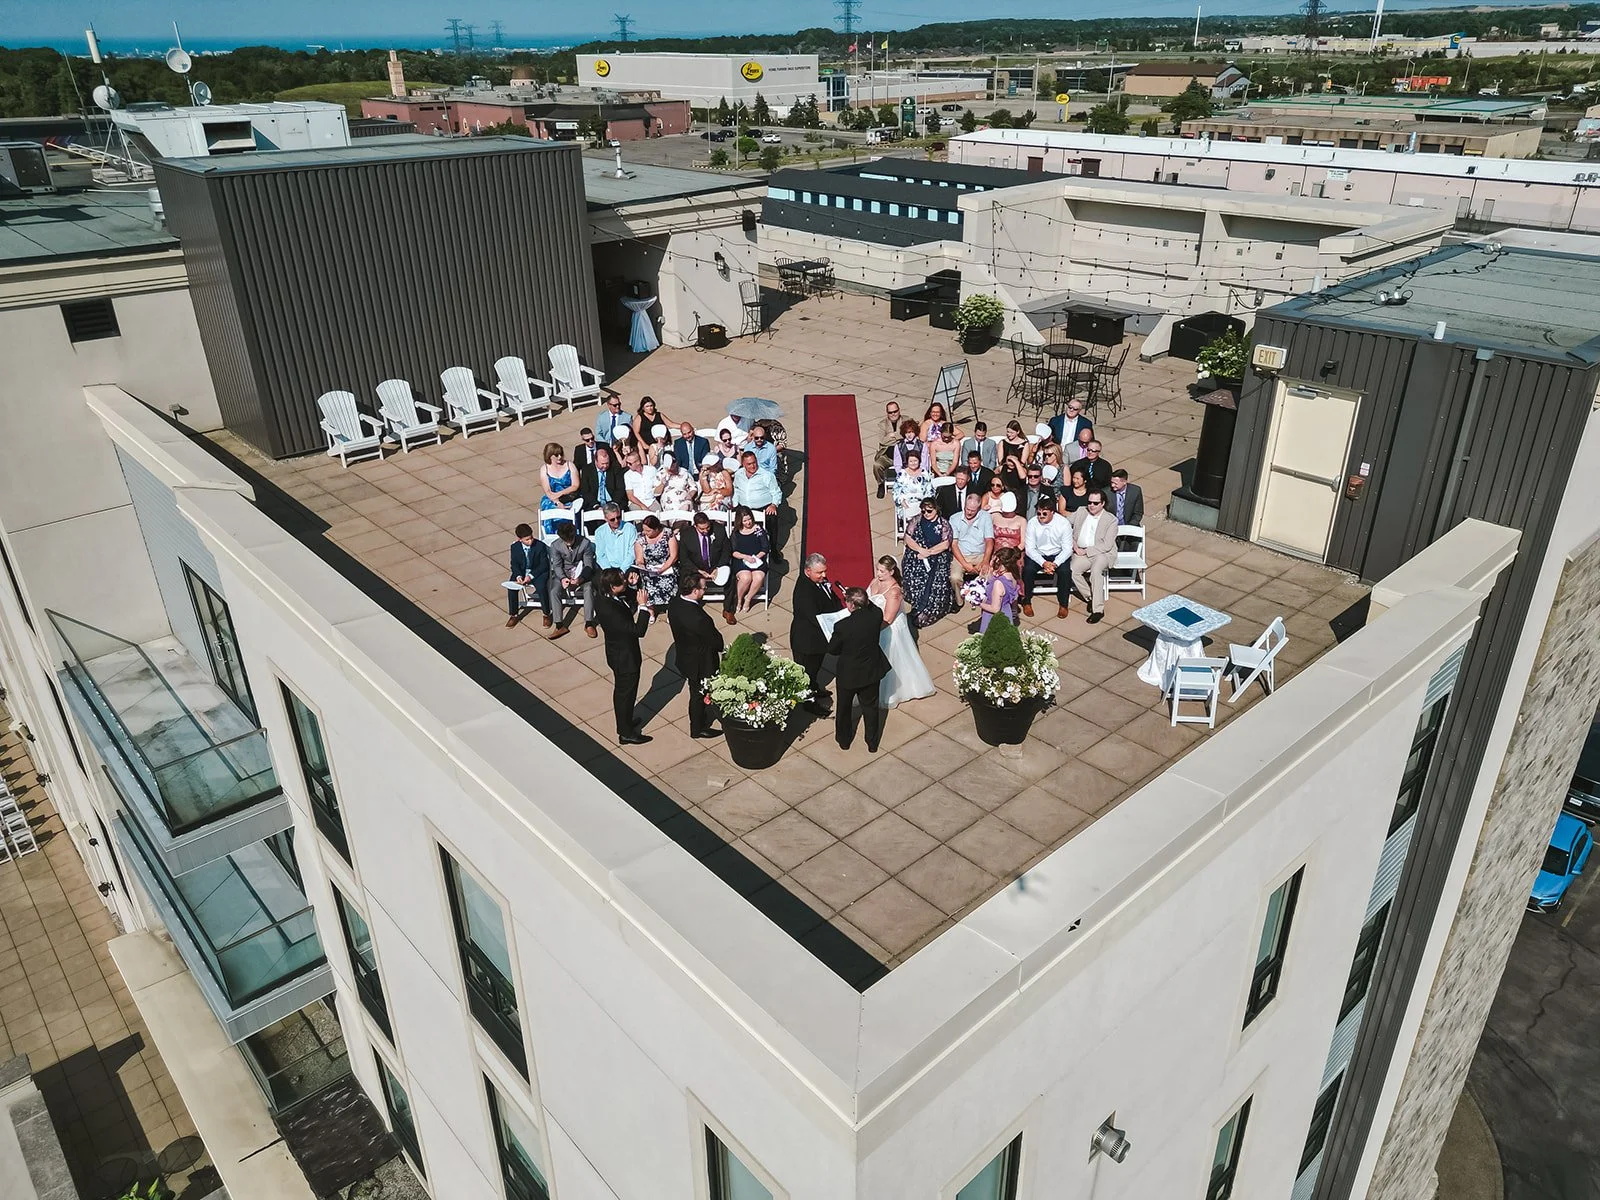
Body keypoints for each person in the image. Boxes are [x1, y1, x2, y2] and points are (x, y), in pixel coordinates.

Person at [827, 588, 891, 753]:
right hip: (871, 671)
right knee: (870, 708)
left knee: (844, 708)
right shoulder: (875, 615)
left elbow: (833, 650)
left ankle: (844, 741)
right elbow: (873, 607)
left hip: (849, 674)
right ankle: (872, 743)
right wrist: (859, 597)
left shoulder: (842, 626)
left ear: (851, 605)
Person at [866, 557, 935, 706]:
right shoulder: (875, 581)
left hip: (887, 629)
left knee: (890, 659)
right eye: (878, 569)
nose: (878, 574)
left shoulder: (894, 592)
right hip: (875, 623)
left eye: (882, 571)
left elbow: (888, 619)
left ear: (891, 572)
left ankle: (893, 692)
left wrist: (869, 631)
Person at [593, 568, 651, 745]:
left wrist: (631, 586)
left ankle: (626, 721)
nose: (625, 581)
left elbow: (629, 595)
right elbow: (638, 631)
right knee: (625, 694)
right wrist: (643, 607)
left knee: (625, 693)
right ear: (612, 587)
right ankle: (625, 733)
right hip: (624, 658)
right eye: (622, 581)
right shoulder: (610, 611)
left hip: (618, 653)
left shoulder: (605, 596)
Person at [668, 576, 723, 739]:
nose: (705, 590)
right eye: (704, 588)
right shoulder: (699, 618)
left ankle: (699, 719)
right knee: (698, 695)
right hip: (700, 663)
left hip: (686, 656)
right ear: (694, 591)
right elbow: (715, 641)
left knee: (695, 692)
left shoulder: (675, 603)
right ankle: (697, 729)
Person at [790, 552, 842, 709]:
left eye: (824, 571)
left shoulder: (817, 581)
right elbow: (815, 618)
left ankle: (814, 688)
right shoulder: (805, 592)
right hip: (807, 642)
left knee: (814, 670)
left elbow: (830, 599)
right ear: (808, 571)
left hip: (817, 641)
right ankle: (809, 703)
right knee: (806, 674)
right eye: (819, 572)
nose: (824, 575)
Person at [902, 497, 954, 628]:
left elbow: (945, 544)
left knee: (934, 580)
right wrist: (920, 550)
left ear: (936, 509)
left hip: (936, 557)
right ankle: (917, 603)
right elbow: (907, 538)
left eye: (929, 511)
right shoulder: (917, 520)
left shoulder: (944, 524)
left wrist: (928, 552)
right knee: (913, 572)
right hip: (918, 554)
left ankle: (925, 609)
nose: (926, 514)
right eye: (923, 511)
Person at [1068, 488, 1118, 624]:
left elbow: (1107, 545)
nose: (1091, 505)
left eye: (1095, 503)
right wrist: (1074, 545)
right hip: (1080, 551)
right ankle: (1090, 597)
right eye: (1089, 502)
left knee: (1096, 572)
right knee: (1072, 570)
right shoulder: (1081, 511)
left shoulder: (1111, 520)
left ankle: (1098, 610)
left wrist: (1086, 551)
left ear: (1102, 504)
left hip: (1101, 553)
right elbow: (1065, 525)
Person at [680, 511, 736, 625]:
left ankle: (728, 610)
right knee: (683, 577)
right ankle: (688, 607)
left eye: (708, 527)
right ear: (695, 526)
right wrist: (697, 570)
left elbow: (727, 550)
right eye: (702, 529)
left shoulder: (719, 529)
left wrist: (719, 567)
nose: (706, 531)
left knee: (731, 577)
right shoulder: (686, 534)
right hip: (697, 567)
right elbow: (684, 558)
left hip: (716, 565)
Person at [1022, 493, 1071, 618]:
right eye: (1039, 513)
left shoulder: (1063, 523)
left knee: (1065, 572)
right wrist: (1043, 563)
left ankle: (1063, 604)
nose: (1041, 516)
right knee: (1027, 570)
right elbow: (1030, 549)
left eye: (1044, 513)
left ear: (1052, 512)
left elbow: (1067, 549)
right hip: (1038, 554)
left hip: (1057, 554)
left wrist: (1055, 563)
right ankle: (1026, 601)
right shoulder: (1032, 523)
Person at [547, 521, 597, 641]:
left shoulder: (585, 543)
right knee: (554, 591)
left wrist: (581, 578)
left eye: (571, 539)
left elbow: (588, 564)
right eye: (566, 540)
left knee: (589, 588)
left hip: (581, 574)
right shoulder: (556, 545)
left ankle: (589, 623)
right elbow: (557, 565)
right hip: (564, 573)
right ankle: (559, 625)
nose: (569, 543)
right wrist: (563, 578)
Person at [505, 523, 551, 628]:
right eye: (527, 539)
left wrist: (531, 576)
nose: (530, 541)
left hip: (537, 572)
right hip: (522, 572)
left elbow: (544, 565)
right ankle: (514, 614)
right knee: (511, 588)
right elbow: (514, 564)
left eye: (531, 538)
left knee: (541, 587)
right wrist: (518, 576)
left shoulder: (540, 546)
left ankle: (546, 614)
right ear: (520, 539)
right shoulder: (515, 547)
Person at [633, 514, 678, 618]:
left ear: (657, 529)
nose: (645, 532)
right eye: (644, 530)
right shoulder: (641, 538)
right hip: (649, 568)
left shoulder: (668, 534)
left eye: (648, 531)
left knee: (670, 579)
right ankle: (650, 610)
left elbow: (674, 556)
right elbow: (639, 559)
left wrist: (662, 569)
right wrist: (642, 566)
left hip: (667, 566)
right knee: (646, 580)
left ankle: (671, 610)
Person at [729, 506, 769, 613]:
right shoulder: (736, 533)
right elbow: (733, 551)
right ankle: (739, 599)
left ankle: (748, 598)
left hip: (757, 560)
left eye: (749, 519)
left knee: (759, 577)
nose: (748, 522)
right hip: (741, 560)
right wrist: (745, 557)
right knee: (746, 578)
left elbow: (765, 547)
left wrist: (756, 557)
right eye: (745, 521)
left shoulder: (758, 530)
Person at [949, 492, 994, 583]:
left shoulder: (986, 517)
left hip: (980, 555)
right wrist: (965, 564)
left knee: (989, 576)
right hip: (961, 555)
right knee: (955, 577)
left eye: (973, 511)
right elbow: (954, 544)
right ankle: (960, 593)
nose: (969, 513)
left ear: (978, 508)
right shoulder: (954, 518)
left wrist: (985, 561)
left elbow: (989, 540)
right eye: (967, 509)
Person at [538, 443, 580, 536]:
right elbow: (548, 491)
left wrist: (560, 493)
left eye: (561, 454)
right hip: (552, 499)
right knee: (549, 508)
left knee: (572, 509)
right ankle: (551, 535)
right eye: (556, 455)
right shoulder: (544, 469)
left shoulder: (570, 465)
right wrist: (557, 502)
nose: (560, 457)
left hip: (569, 496)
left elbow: (575, 485)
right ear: (549, 456)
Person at [979, 547, 1024, 633]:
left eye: (995, 561)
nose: (992, 563)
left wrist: (977, 602)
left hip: (993, 618)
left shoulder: (998, 583)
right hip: (1006, 612)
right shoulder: (1013, 575)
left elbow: (995, 609)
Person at [892, 451, 934, 535]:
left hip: (922, 503)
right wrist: (903, 503)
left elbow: (930, 490)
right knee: (909, 512)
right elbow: (896, 492)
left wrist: (925, 503)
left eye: (915, 461)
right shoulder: (902, 474)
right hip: (906, 503)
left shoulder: (924, 473)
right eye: (911, 461)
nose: (913, 463)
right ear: (907, 462)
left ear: (919, 461)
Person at [731, 450, 781, 516]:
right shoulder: (738, 474)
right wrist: (735, 504)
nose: (752, 466)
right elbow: (736, 489)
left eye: (754, 463)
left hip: (764, 509)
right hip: (743, 508)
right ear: (743, 464)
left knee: (771, 515)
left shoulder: (767, 475)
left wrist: (773, 505)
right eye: (749, 464)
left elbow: (776, 492)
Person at [594, 503, 639, 573]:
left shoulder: (630, 528)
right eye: (612, 519)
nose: (616, 521)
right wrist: (610, 571)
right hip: (608, 569)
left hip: (627, 567)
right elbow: (600, 555)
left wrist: (622, 570)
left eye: (618, 517)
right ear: (605, 519)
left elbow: (632, 553)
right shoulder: (600, 532)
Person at [872, 401, 904, 498]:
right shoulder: (882, 424)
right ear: (887, 413)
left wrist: (892, 435)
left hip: (903, 455)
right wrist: (899, 436)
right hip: (888, 456)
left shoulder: (906, 420)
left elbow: (909, 435)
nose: (893, 414)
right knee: (877, 465)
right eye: (890, 412)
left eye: (895, 411)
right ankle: (881, 484)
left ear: (899, 410)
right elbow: (883, 441)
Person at [579, 445, 626, 510]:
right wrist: (596, 506)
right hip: (594, 503)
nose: (605, 466)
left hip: (613, 501)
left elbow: (620, 489)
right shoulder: (587, 470)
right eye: (602, 464)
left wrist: (613, 504)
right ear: (596, 461)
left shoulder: (615, 468)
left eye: (607, 463)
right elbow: (585, 491)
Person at [990, 491, 1026, 558]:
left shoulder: (1022, 520)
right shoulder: (994, 516)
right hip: (996, 554)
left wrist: (1013, 554)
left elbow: (1023, 542)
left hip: (1014, 555)